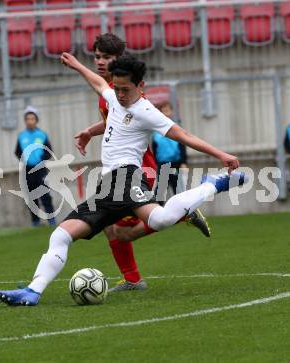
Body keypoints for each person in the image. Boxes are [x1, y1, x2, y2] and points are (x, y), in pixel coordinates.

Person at [0, 53, 245, 306]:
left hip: (128, 178)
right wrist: (77, 66)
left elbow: (183, 134)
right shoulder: (114, 97)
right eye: (118, 88)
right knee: (61, 235)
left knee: (158, 219)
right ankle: (32, 291)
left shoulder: (146, 111)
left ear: (140, 86)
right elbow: (99, 84)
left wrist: (221, 154)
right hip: (108, 186)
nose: (121, 95)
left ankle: (212, 184)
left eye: (126, 89)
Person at [74, 33, 210, 292]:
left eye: (107, 57)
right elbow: (116, 122)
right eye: (98, 56)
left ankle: (180, 214)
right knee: (110, 228)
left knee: (120, 231)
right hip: (124, 171)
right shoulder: (110, 91)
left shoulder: (125, 91)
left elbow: (139, 118)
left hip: (138, 170)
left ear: (119, 60)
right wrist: (91, 132)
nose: (101, 62)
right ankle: (133, 279)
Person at [15, 106, 56, 226]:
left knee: (45, 195)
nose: (30, 121)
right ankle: (35, 221)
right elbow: (17, 151)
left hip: (41, 170)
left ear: (36, 120)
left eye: (32, 118)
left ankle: (51, 219)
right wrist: (24, 159)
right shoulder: (22, 136)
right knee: (31, 197)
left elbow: (49, 151)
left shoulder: (42, 135)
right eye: (27, 119)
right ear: (25, 121)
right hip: (27, 171)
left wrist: (40, 159)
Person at [152, 101, 188, 198]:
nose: (166, 113)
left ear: (171, 112)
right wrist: (155, 164)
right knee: (160, 191)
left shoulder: (176, 128)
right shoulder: (156, 131)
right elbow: (155, 149)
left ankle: (183, 211)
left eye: (168, 110)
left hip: (175, 163)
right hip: (162, 164)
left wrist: (183, 162)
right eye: (163, 111)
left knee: (178, 190)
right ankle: (157, 209)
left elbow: (182, 145)